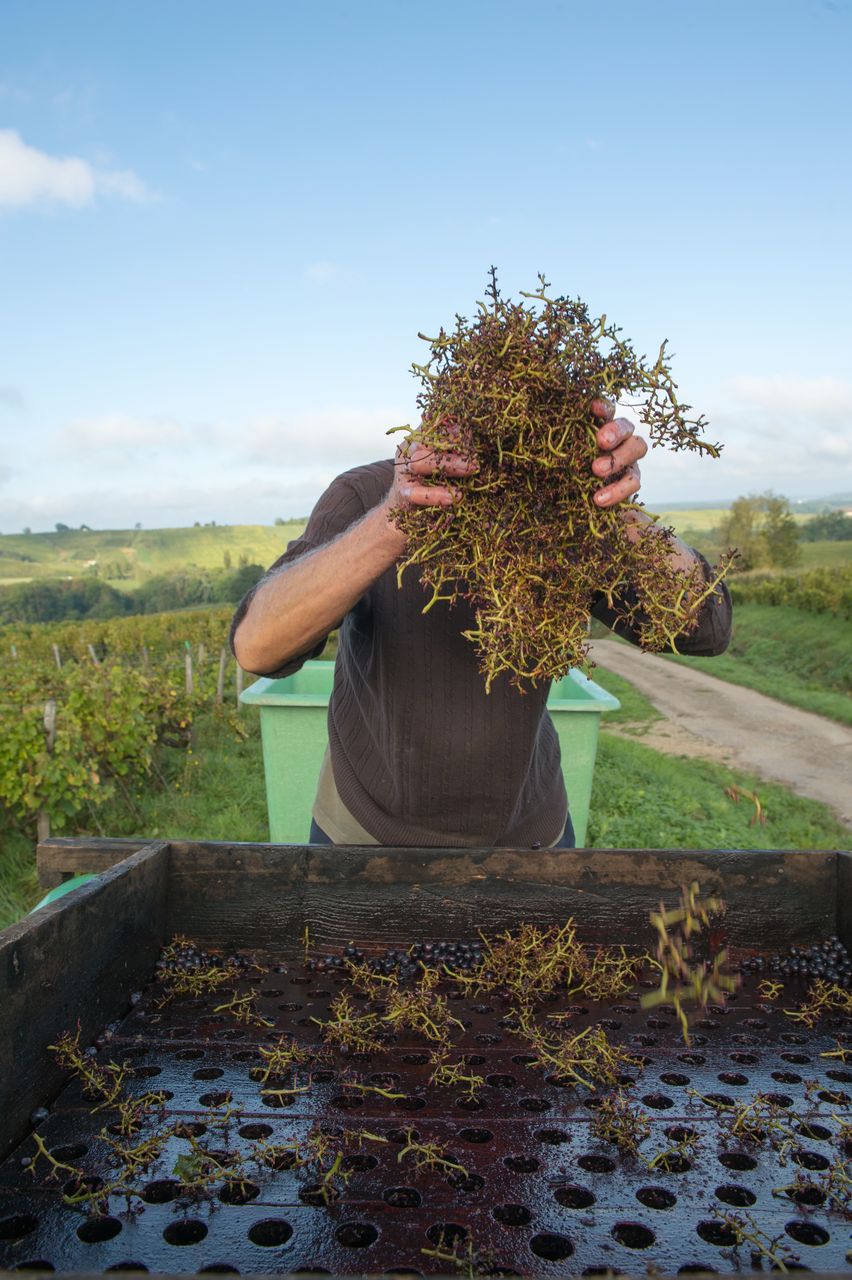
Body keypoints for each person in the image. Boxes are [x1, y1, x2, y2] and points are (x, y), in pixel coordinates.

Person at [230, 402, 732, 849]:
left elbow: (703, 626)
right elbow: (258, 647)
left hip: (529, 835)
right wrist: (395, 518)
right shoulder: (368, 493)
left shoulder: (564, 511)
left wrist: (615, 507)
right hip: (364, 832)